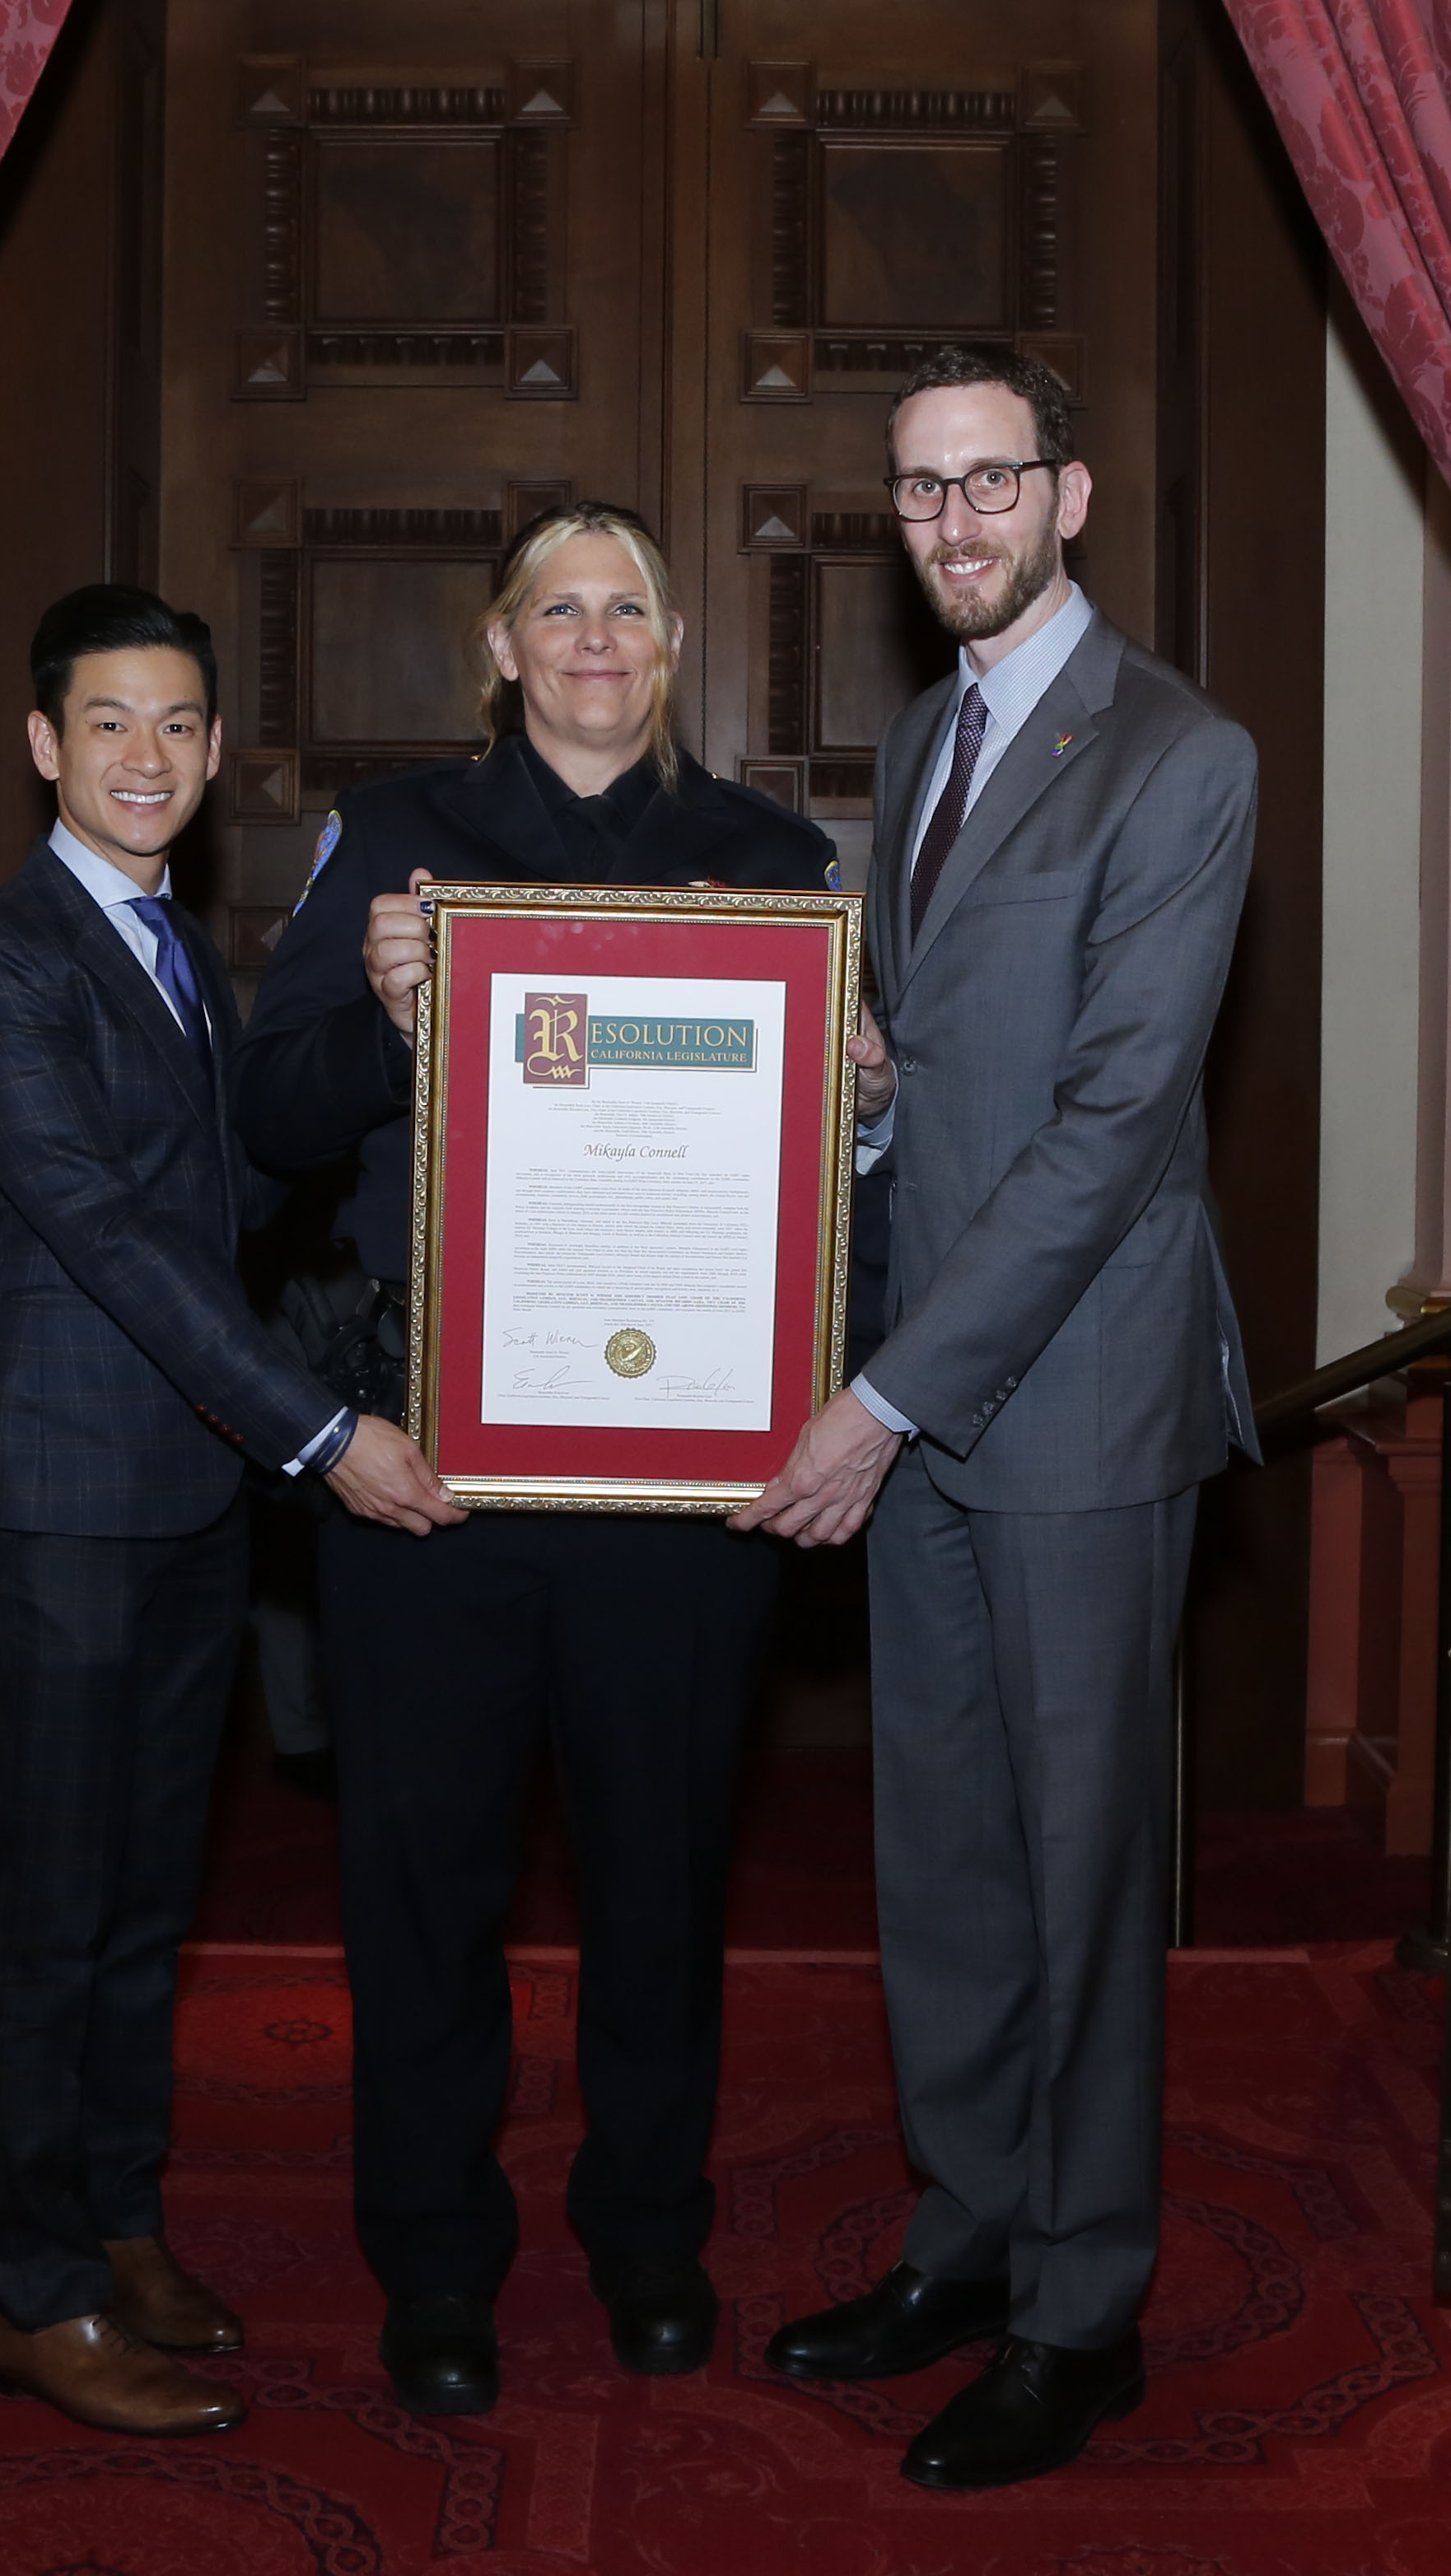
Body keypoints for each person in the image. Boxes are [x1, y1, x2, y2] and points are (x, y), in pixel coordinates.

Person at [236, 502, 847, 2417]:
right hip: (438, 1469)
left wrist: (872, 1090)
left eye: (627, 608)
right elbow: (268, 1117)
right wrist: (380, 1013)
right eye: (557, 608)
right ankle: (434, 2259)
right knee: (421, 1888)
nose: (594, 637)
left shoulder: (769, 863)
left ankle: (648, 2229)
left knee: (661, 1879)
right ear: (499, 646)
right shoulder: (396, 844)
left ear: (671, 645)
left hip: (680, 1490)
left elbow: (830, 1187)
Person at [735, 347, 1258, 2490]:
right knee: (936, 1854)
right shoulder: (927, 731)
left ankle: (1080, 2307)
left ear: (1073, 494)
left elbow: (1120, 1124)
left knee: (1074, 1870)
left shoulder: (1180, 755)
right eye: (914, 494)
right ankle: (965, 2234)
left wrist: (870, 1398)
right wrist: (869, 1101)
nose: (946, 524)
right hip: (930, 1378)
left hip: (1069, 1409)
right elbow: (962, 1070)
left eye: (985, 483)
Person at [0, 585, 458, 2439]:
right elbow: (122, 1245)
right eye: (108, 725)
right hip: (63, 1504)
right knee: (51, 1912)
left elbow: (250, 1177)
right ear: (42, 746)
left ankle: (116, 2223)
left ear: (216, 753)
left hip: (183, 1509)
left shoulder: (173, 950)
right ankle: (29, 2291)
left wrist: (407, 1021)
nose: (144, 758)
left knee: (147, 1908)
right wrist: (327, 1434)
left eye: (177, 727)